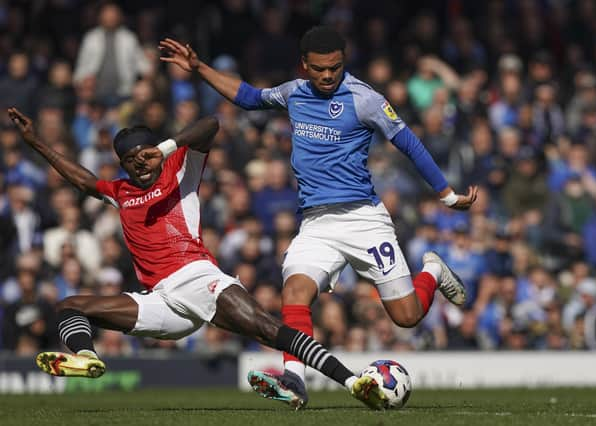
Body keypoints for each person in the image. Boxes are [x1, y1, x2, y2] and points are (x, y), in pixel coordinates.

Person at [160, 25, 478, 407]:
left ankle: (433, 271)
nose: (328, 76)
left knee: (407, 317)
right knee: (294, 291)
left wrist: (446, 195)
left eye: (336, 68)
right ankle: (295, 379)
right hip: (316, 224)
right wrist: (199, 67)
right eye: (320, 69)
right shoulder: (294, 92)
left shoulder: (365, 99)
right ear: (305, 66)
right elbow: (247, 97)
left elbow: (408, 142)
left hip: (363, 218)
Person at [7, 107, 387, 411]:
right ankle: (88, 358)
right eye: (129, 159)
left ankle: (353, 382)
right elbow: (83, 181)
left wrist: (168, 147)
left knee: (267, 328)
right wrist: (36, 142)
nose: (139, 163)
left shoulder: (179, 169)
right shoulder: (119, 191)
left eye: (144, 154)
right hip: (162, 299)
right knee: (70, 306)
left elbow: (211, 124)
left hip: (196, 276)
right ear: (122, 164)